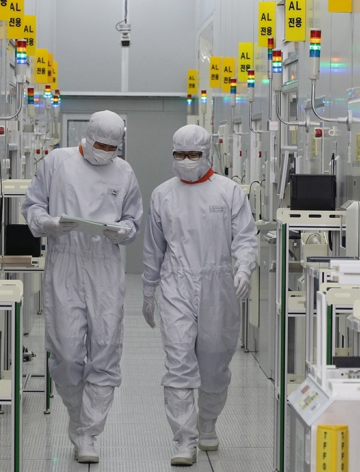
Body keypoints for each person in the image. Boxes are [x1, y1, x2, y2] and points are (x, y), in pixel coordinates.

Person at [22, 110, 143, 463]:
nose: (105, 151)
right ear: (87, 137)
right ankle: (78, 422)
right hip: (65, 261)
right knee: (66, 354)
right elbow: (32, 207)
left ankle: (90, 433)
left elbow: (133, 218)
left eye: (112, 147)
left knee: (105, 351)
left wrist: (125, 231)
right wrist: (47, 223)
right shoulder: (56, 162)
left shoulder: (124, 172)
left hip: (105, 265)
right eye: (100, 144)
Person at [142, 124, 258, 466]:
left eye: (193, 155)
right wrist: (149, 290)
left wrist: (244, 268)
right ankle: (183, 439)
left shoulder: (229, 192)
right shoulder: (162, 194)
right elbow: (154, 248)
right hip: (176, 283)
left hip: (218, 284)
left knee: (214, 365)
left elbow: (246, 237)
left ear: (207, 154)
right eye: (180, 155)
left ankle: (207, 424)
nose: (186, 161)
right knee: (178, 362)